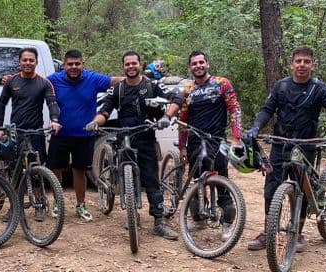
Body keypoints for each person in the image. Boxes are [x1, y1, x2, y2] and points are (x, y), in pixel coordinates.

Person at [244, 45, 326, 252]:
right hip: (280, 143)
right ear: (292, 64)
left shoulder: (320, 89)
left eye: (306, 61)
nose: (302, 65)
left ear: (312, 65)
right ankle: (268, 232)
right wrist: (256, 127)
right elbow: (267, 109)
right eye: (298, 61)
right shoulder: (281, 86)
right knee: (271, 188)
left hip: (306, 145)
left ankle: (298, 232)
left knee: (303, 187)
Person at [86, 51, 181, 240]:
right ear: (123, 67)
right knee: (124, 176)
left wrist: (166, 117)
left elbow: (176, 98)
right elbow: (105, 111)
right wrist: (95, 122)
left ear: (140, 65)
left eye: (134, 63)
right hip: (124, 137)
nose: (131, 67)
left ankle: (159, 222)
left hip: (146, 136)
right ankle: (132, 214)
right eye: (127, 64)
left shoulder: (152, 86)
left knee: (152, 180)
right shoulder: (117, 89)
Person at [171, 51, 243, 241]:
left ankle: (226, 224)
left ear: (208, 64)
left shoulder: (221, 84)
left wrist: (236, 137)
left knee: (222, 181)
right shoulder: (188, 91)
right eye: (194, 63)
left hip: (216, 140)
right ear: (190, 67)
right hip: (195, 141)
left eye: (201, 62)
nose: (198, 66)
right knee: (197, 180)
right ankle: (198, 218)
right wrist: (182, 146)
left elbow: (234, 109)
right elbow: (182, 120)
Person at [46, 49, 123, 222]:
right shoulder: (53, 80)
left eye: (77, 64)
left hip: (84, 135)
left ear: (83, 64)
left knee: (79, 171)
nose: (74, 67)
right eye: (70, 64)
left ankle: (81, 205)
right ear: (64, 65)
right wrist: (11, 79)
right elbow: (34, 81)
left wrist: (138, 79)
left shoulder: (92, 79)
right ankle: (58, 204)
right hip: (60, 134)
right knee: (56, 170)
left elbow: (114, 81)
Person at [0, 48, 62, 221]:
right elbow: (1, 104)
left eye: (31, 60)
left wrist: (54, 120)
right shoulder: (12, 82)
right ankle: (14, 208)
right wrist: (0, 127)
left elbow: (52, 103)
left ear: (36, 62)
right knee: (14, 171)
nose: (28, 63)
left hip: (36, 132)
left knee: (36, 171)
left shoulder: (44, 83)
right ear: (19, 62)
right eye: (24, 60)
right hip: (16, 132)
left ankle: (39, 204)